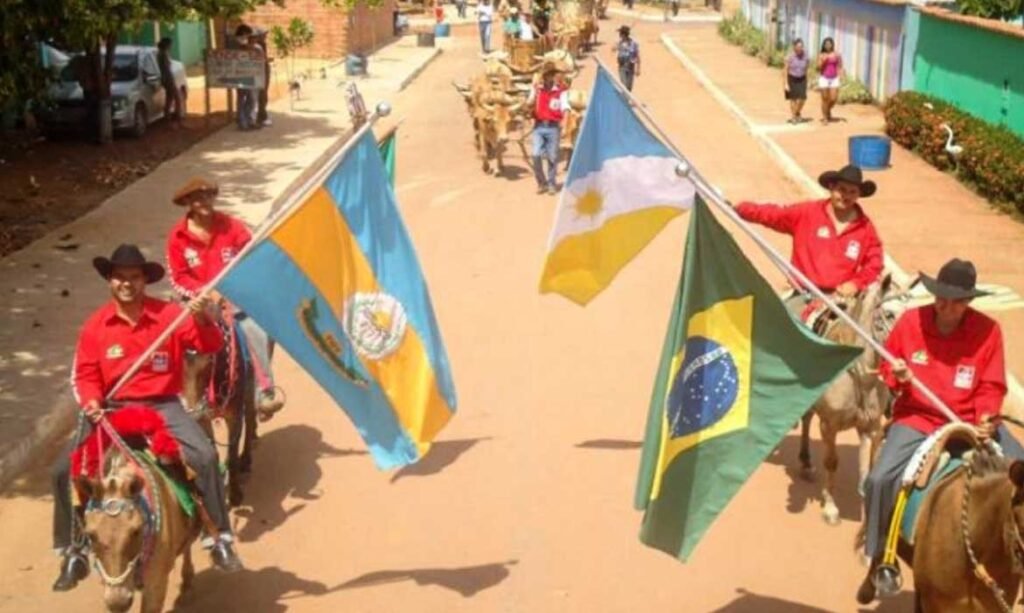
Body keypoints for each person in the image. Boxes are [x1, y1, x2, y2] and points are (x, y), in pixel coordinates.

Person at [50, 244, 242, 592]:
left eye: (134, 277)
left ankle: (219, 537)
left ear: (144, 281)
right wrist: (92, 401)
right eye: (119, 277)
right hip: (112, 409)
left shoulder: (170, 316)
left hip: (162, 406)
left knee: (206, 455)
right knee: (63, 470)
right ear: (109, 280)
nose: (127, 283)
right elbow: (85, 376)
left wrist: (202, 317)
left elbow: (210, 345)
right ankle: (73, 550)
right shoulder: (95, 327)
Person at [857, 258, 1024, 604]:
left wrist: (985, 416)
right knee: (879, 479)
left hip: (972, 421)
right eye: (941, 298)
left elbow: (992, 384)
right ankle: (878, 557)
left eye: (956, 301)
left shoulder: (988, 331)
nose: (946, 306)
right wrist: (897, 376)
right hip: (919, 418)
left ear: (968, 302)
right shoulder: (910, 323)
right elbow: (887, 367)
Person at [165, 178, 285, 417]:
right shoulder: (177, 237)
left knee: (258, 328)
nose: (204, 202)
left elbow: (251, 260)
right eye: (198, 198)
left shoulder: (233, 226)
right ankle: (176, 395)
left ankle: (264, 390)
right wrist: (204, 293)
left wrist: (231, 288)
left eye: (209, 196)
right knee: (170, 334)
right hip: (198, 301)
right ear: (188, 202)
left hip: (236, 297)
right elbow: (178, 277)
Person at [733, 164, 884, 317]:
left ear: (859, 195)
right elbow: (775, 215)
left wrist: (856, 283)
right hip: (802, 296)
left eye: (852, 192)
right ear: (831, 188)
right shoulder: (807, 213)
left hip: (839, 303)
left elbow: (874, 264)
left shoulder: (866, 229)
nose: (846, 196)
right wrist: (742, 209)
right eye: (842, 190)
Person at [528, 65, 569, 195]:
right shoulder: (537, 90)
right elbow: (529, 102)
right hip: (539, 127)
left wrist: (565, 124)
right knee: (535, 154)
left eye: (551, 74)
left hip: (553, 128)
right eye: (547, 75)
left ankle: (551, 184)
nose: (549, 77)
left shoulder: (561, 91)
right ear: (543, 77)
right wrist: (528, 104)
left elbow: (565, 108)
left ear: (554, 76)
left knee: (552, 157)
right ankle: (541, 183)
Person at [233, 24, 263, 130]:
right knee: (242, 98)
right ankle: (243, 122)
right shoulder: (237, 43)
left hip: (251, 76)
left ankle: (247, 120)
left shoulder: (255, 47)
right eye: (248, 35)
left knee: (251, 99)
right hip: (240, 75)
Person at [157, 38, 184, 127]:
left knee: (170, 99)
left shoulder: (162, 53)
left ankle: (168, 119)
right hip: (168, 79)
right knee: (177, 98)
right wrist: (169, 80)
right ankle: (177, 119)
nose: (171, 46)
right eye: (170, 44)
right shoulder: (162, 54)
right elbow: (166, 69)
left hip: (167, 78)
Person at [817, 37, 842, 124]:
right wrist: (824, 60)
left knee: (833, 99)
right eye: (826, 44)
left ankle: (827, 110)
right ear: (824, 45)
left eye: (829, 44)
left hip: (834, 78)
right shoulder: (821, 55)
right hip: (824, 78)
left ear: (832, 45)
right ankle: (825, 118)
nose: (828, 45)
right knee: (825, 99)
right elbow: (818, 67)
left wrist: (840, 75)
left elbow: (839, 65)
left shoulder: (837, 54)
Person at [783, 38, 809, 124]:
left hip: (802, 78)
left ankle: (797, 112)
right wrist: (786, 83)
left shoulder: (806, 56)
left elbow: (806, 68)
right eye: (798, 46)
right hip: (792, 78)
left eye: (801, 46)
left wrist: (807, 81)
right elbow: (785, 70)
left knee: (802, 98)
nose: (800, 48)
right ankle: (794, 117)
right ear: (794, 47)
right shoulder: (790, 56)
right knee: (793, 99)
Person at [254, 29, 273, 128]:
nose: (265, 37)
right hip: (262, 72)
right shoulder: (259, 46)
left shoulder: (261, 45)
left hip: (261, 71)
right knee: (262, 95)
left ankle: (261, 115)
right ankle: (261, 117)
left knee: (262, 95)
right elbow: (262, 59)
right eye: (264, 35)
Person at [616, 26, 640, 92]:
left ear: (624, 34)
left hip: (630, 67)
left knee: (629, 87)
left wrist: (638, 68)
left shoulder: (633, 43)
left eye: (620, 34)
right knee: (624, 86)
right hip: (622, 66)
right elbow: (613, 48)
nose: (619, 36)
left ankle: (626, 100)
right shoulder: (619, 43)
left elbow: (637, 56)